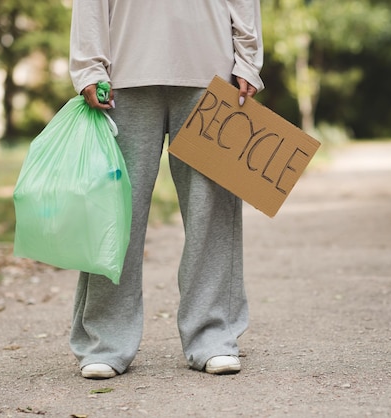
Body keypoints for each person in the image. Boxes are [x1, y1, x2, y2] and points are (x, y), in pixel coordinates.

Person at [68, 1, 264, 379]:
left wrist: (247, 60)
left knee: (212, 213)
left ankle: (213, 336)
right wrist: (89, 67)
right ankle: (104, 342)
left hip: (212, 72)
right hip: (124, 73)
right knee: (114, 212)